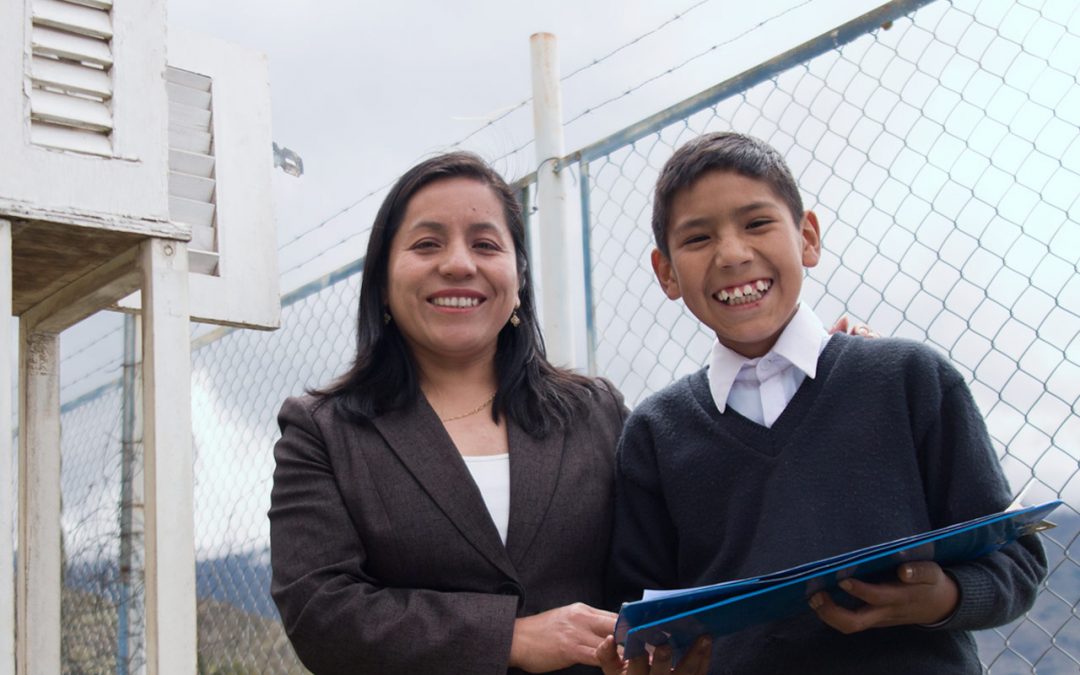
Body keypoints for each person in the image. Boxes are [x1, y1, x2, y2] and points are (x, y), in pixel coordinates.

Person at [602, 132, 1048, 674]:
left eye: (757, 223)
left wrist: (943, 596)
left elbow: (1016, 559)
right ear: (666, 272)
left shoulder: (909, 380)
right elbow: (638, 613)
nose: (733, 254)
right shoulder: (655, 431)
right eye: (697, 238)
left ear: (808, 237)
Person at [269, 152, 627, 674]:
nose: (459, 264)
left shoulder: (597, 413)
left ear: (519, 277)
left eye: (485, 244)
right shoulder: (322, 431)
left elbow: (649, 577)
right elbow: (321, 611)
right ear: (383, 280)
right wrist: (510, 638)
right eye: (426, 244)